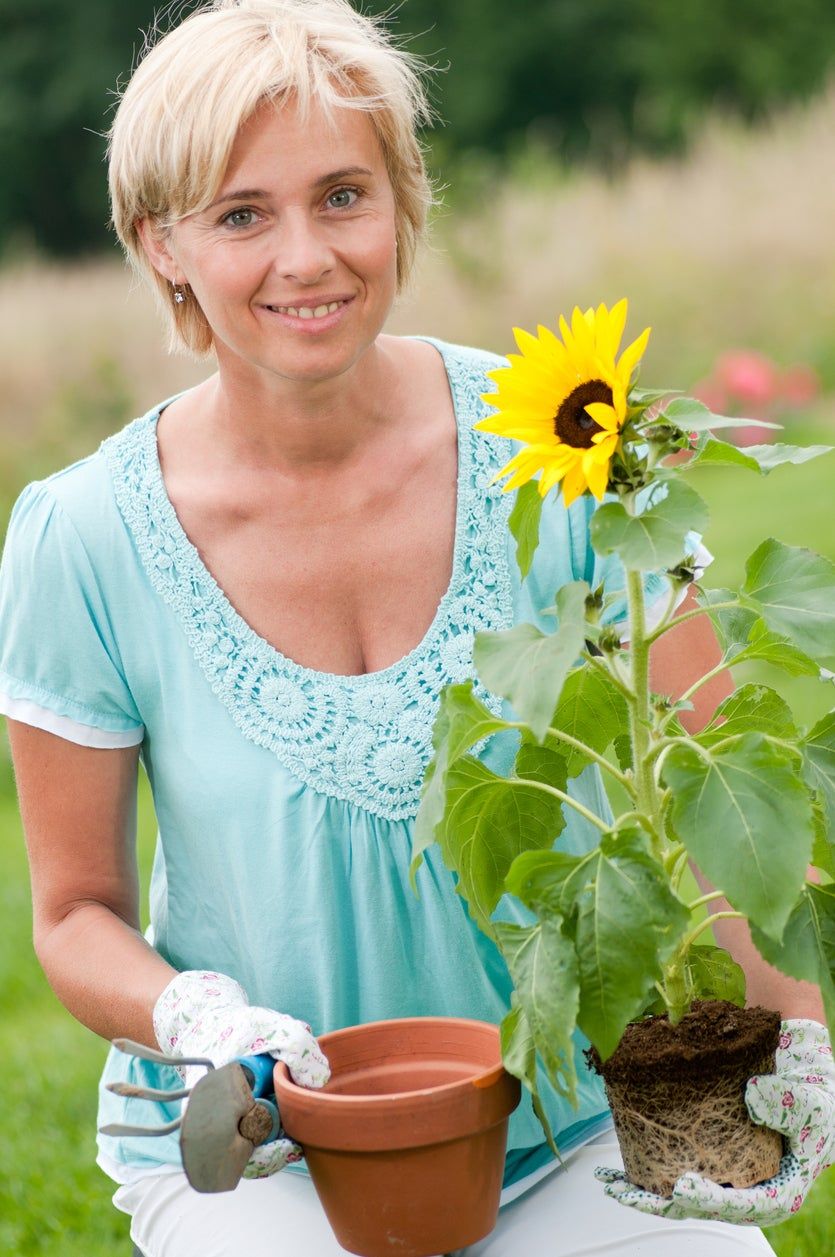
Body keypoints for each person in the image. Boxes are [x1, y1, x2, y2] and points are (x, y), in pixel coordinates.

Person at [0, 2, 829, 1254]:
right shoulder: (86, 539)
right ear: (158, 244)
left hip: (578, 1114)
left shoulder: (562, 442)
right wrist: (201, 1020)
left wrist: (797, 1042)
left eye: (343, 195)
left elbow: (729, 800)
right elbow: (73, 916)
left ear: (402, 202)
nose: (307, 257)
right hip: (274, 1148)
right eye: (241, 215)